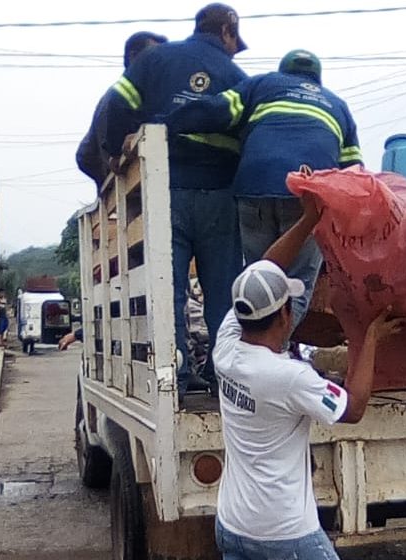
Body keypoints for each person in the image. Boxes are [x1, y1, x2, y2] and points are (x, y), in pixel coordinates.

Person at [212, 195, 406, 559]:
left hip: (233, 526)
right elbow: (353, 408)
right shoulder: (289, 377)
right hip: (284, 535)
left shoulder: (226, 346)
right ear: (285, 316)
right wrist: (369, 339)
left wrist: (308, 220)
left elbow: (265, 268)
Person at [105, 3, 248, 401]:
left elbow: (116, 103)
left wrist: (114, 149)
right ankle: (224, 379)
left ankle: (176, 378)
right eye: (235, 41)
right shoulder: (237, 77)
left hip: (166, 189)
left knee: (169, 292)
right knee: (223, 293)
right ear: (226, 32)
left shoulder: (155, 61)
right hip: (221, 194)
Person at [164, 49, 362, 330]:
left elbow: (217, 110)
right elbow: (353, 172)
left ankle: (254, 347)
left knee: (258, 281)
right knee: (296, 285)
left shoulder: (263, 84)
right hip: (307, 198)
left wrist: (166, 122)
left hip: (255, 187)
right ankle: (272, 349)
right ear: (317, 78)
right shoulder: (338, 106)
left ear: (284, 71)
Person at [75, 31, 168, 192]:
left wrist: (105, 186)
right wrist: (112, 169)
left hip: (132, 189)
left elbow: (84, 155)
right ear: (133, 57)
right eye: (154, 56)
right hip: (143, 186)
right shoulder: (125, 98)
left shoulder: (116, 94)